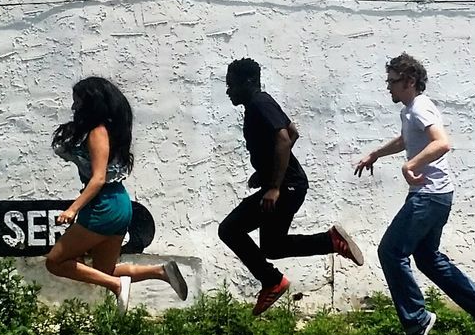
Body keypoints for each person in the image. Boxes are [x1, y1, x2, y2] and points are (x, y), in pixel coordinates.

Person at [355, 52, 475, 335]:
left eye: (393, 81)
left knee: (391, 251)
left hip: (428, 195)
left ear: (410, 81)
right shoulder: (411, 110)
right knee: (427, 257)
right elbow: (406, 140)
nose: (389, 88)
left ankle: (417, 321)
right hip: (437, 195)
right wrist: (376, 154)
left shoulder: (420, 107)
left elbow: (441, 143)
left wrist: (411, 165)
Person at [218, 58, 364, 314]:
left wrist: (274, 185)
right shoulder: (262, 103)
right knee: (273, 247)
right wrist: (265, 173)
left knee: (229, 229)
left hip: (286, 188)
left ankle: (272, 281)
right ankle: (330, 241)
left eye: (232, 85)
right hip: (289, 185)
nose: (228, 90)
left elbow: (284, 140)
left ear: (248, 82)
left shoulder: (259, 104)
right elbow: (293, 132)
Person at [45, 76, 189, 310]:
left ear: (90, 103)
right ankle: (160, 271)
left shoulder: (97, 131)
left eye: (77, 102)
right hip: (118, 202)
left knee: (55, 261)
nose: (74, 107)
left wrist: (73, 209)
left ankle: (117, 286)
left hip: (104, 204)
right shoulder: (107, 130)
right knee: (104, 271)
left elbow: (99, 178)